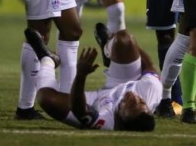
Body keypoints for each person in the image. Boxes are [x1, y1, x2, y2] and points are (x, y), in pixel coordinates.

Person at [23, 24, 162, 132]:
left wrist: (81, 75)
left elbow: (79, 109)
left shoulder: (106, 123)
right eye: (142, 102)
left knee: (47, 100)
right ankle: (108, 52)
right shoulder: (151, 91)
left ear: (121, 118)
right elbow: (149, 65)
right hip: (123, 80)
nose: (135, 97)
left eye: (132, 104)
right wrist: (117, 46)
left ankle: (48, 60)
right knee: (125, 40)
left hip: (95, 103)